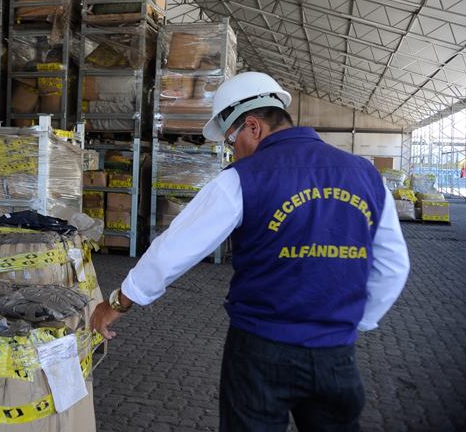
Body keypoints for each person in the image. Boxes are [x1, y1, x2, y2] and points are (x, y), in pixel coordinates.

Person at [91, 72, 410, 432]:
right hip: (336, 358)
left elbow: (172, 251)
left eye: (231, 140)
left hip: (261, 352)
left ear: (253, 127)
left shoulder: (243, 178)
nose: (232, 150)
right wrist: (352, 322)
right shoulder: (365, 174)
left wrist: (115, 304)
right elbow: (393, 266)